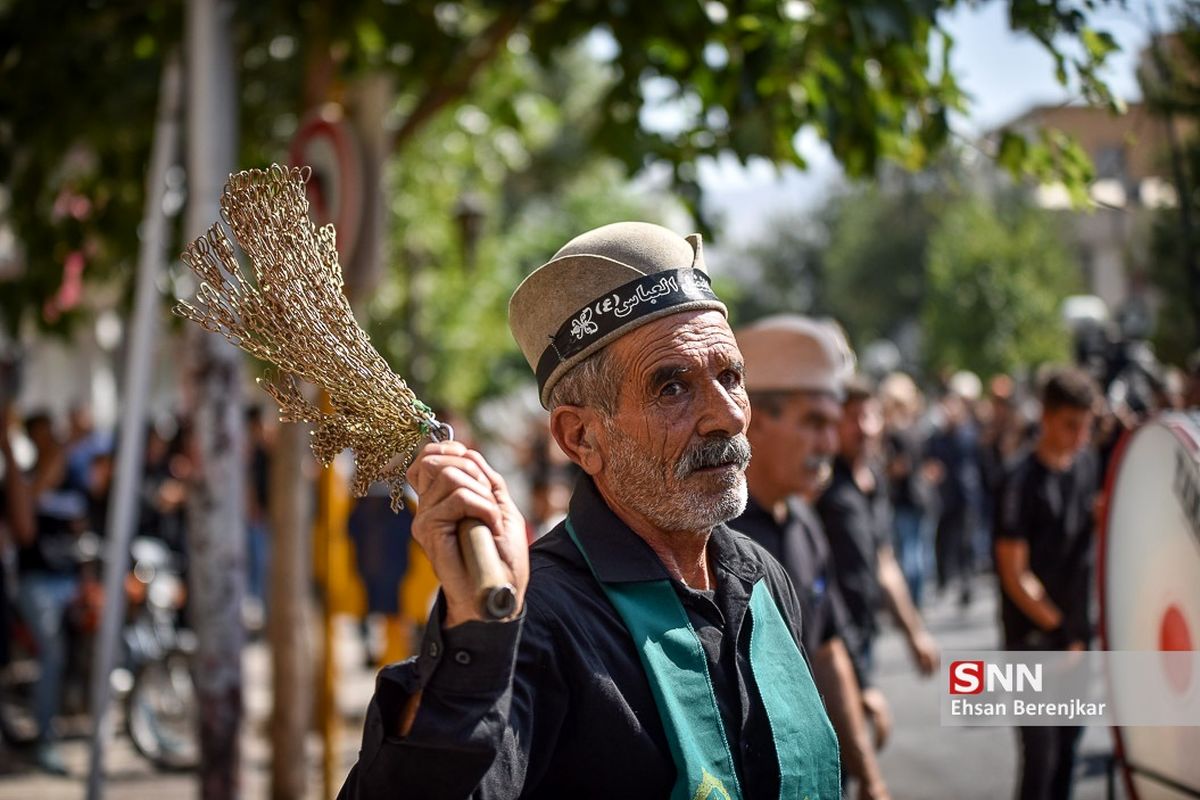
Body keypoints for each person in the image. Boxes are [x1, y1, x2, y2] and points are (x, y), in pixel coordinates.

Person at [339, 222, 841, 799]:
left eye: (730, 376)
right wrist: (475, 637)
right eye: (672, 387)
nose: (724, 414)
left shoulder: (760, 578)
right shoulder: (538, 623)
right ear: (581, 438)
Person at [732, 314, 890, 800]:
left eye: (831, 423)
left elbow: (828, 650)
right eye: (814, 423)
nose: (828, 444)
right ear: (756, 421)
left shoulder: (803, 523)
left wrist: (868, 772)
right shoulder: (710, 539)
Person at [994, 368, 1100, 800]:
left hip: (1076, 638)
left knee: (1068, 759)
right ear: (1047, 417)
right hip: (1034, 641)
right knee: (1041, 762)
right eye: (1070, 425)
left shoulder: (1087, 465)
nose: (1079, 436)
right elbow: (1014, 573)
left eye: (1086, 426)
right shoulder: (1020, 480)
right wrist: (1062, 630)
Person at [816, 378, 939, 694]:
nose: (863, 428)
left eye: (869, 416)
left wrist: (914, 633)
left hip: (865, 631)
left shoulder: (874, 481)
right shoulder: (820, 487)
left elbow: (885, 563)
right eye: (852, 418)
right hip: (826, 643)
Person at [8, 412, 88, 774]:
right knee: (51, 654)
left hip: (70, 579)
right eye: (42, 436)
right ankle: (44, 737)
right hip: (37, 581)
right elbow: (23, 529)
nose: (51, 442)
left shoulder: (73, 480)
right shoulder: (20, 479)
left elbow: (81, 530)